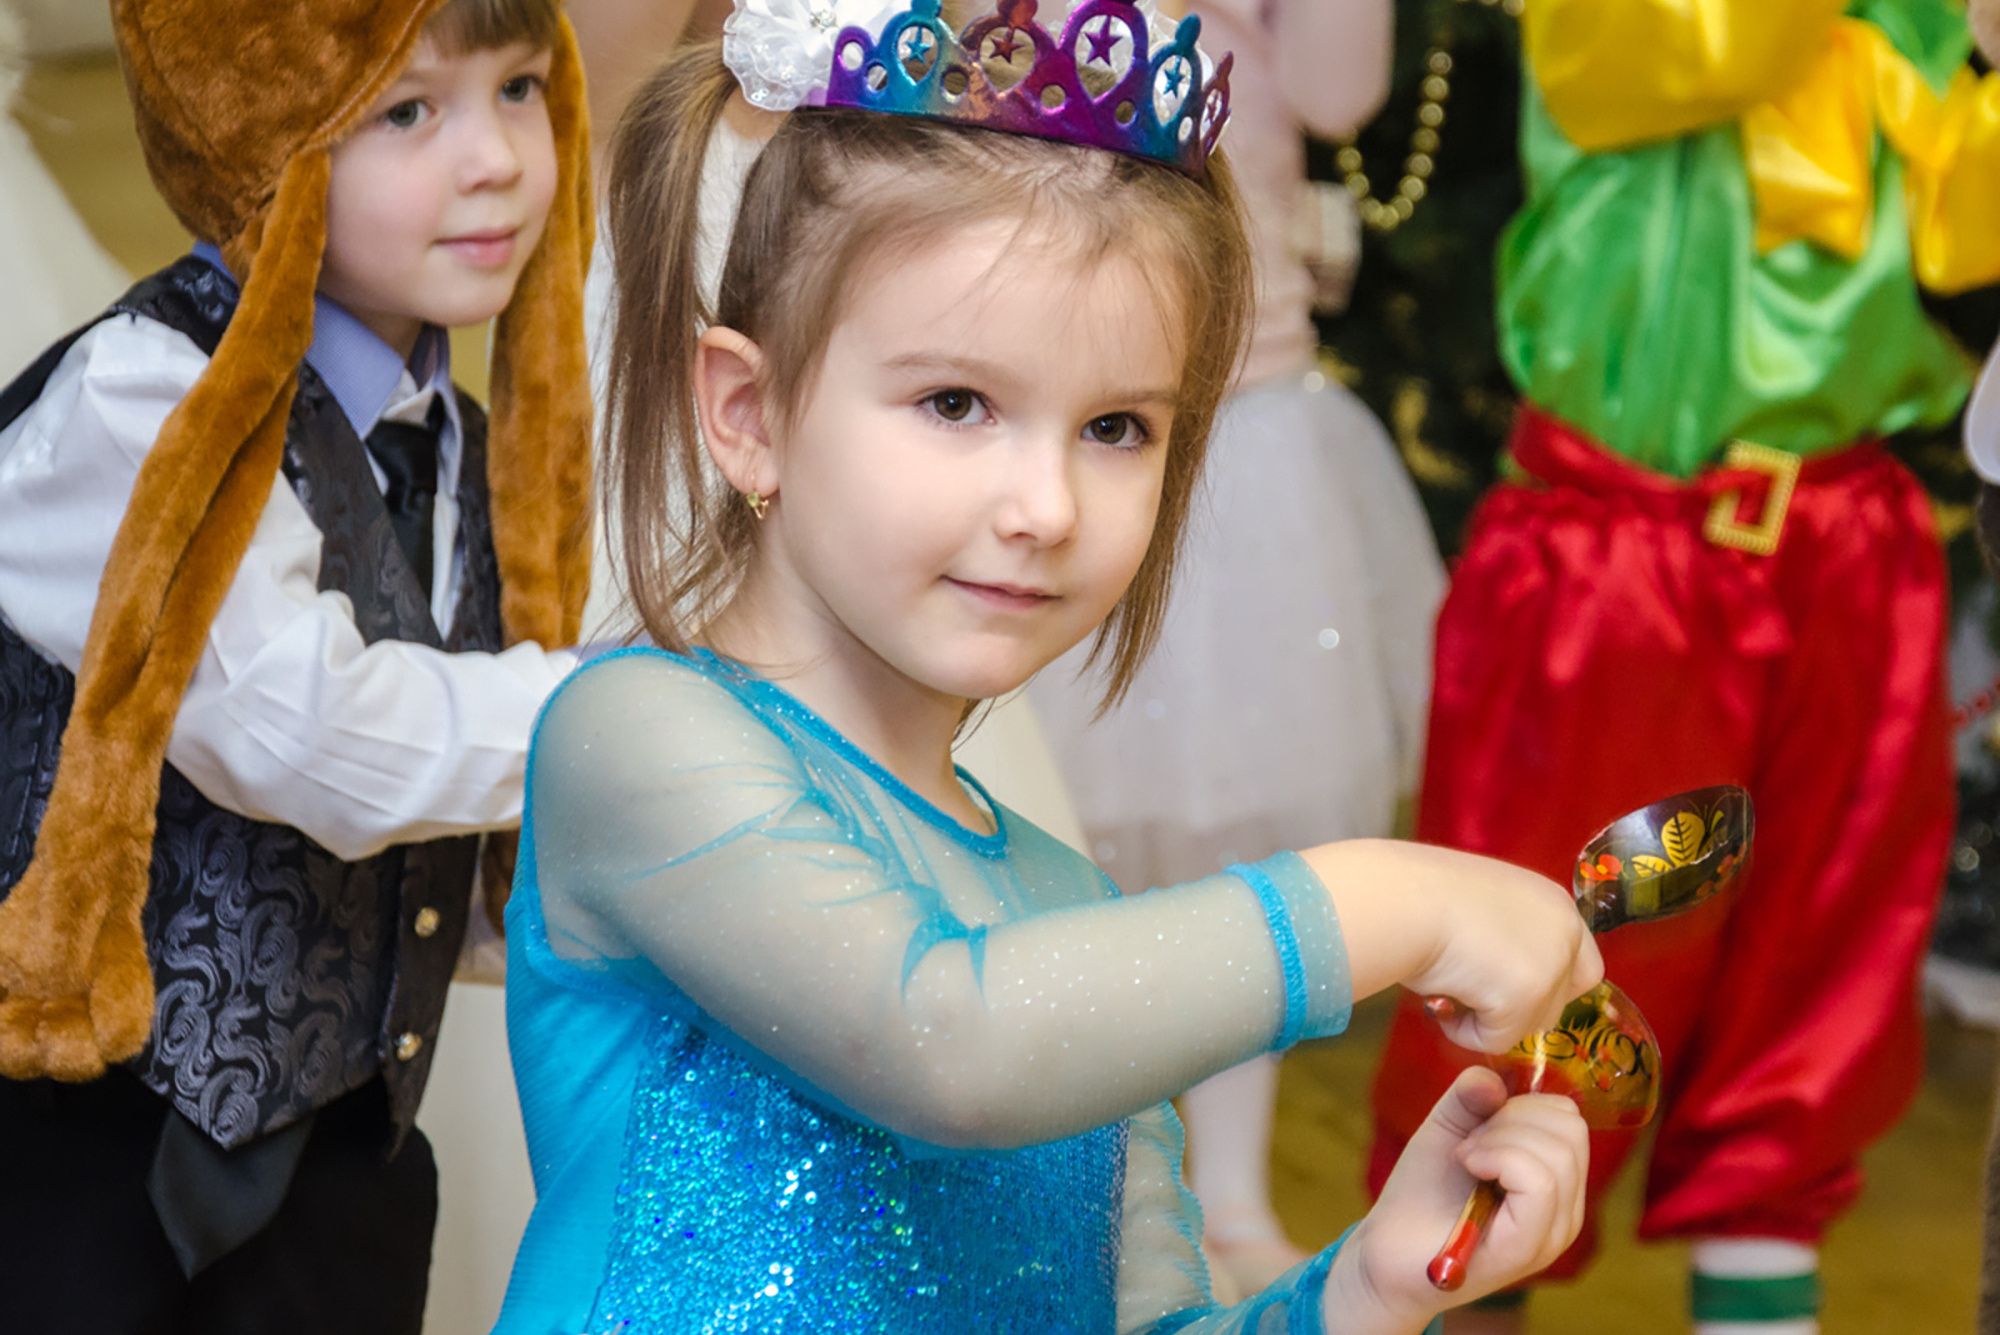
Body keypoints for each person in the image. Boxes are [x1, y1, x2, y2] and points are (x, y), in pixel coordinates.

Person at [493, 4, 1601, 1331]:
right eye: (956, 403)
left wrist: (1363, 1290)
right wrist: (1379, 896)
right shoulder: (638, 740)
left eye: (1117, 427)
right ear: (748, 414)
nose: (1048, 505)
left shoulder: (1072, 907)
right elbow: (949, 1043)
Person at [1366, 3, 2000, 1332]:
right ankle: (1454, 1295)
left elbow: (1966, 230)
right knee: (1531, 990)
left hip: (1850, 542)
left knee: (1817, 997)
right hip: (1621, 554)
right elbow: (1689, 53)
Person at [0, 0, 593, 1329]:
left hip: (343, 1190)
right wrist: (638, 715)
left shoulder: (476, 454)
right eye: (409, 112)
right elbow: (303, 730)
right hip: (85, 1184)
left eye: (519, 88)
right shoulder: (141, 403)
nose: (498, 157)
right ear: (258, 135)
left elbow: (455, 867)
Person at [1024, 0, 1445, 1299]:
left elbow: (1340, 95)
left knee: (1241, 842)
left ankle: (1237, 1190)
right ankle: (1073, 1179)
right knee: (1055, 837)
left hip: (1250, 432)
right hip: (1059, 425)